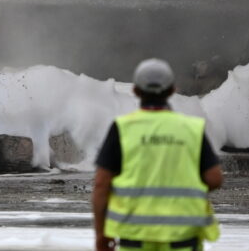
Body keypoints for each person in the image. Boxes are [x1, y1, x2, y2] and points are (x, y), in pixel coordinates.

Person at [92, 59, 222, 251]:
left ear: (135, 91)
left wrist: (102, 234)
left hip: (135, 238)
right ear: (172, 90)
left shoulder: (123, 129)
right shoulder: (191, 129)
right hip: (183, 238)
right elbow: (214, 178)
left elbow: (101, 184)